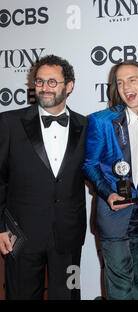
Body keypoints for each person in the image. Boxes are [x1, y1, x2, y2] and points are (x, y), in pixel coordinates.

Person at [0, 55, 87, 299]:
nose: (44, 88)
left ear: (69, 86)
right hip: (20, 235)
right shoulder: (9, 122)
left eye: (52, 82)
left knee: (69, 296)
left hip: (68, 235)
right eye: (39, 82)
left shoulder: (86, 126)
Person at [83, 61, 138, 300]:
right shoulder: (101, 121)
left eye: (132, 80)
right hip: (114, 217)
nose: (125, 87)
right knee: (120, 289)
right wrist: (108, 193)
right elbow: (89, 165)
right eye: (119, 82)